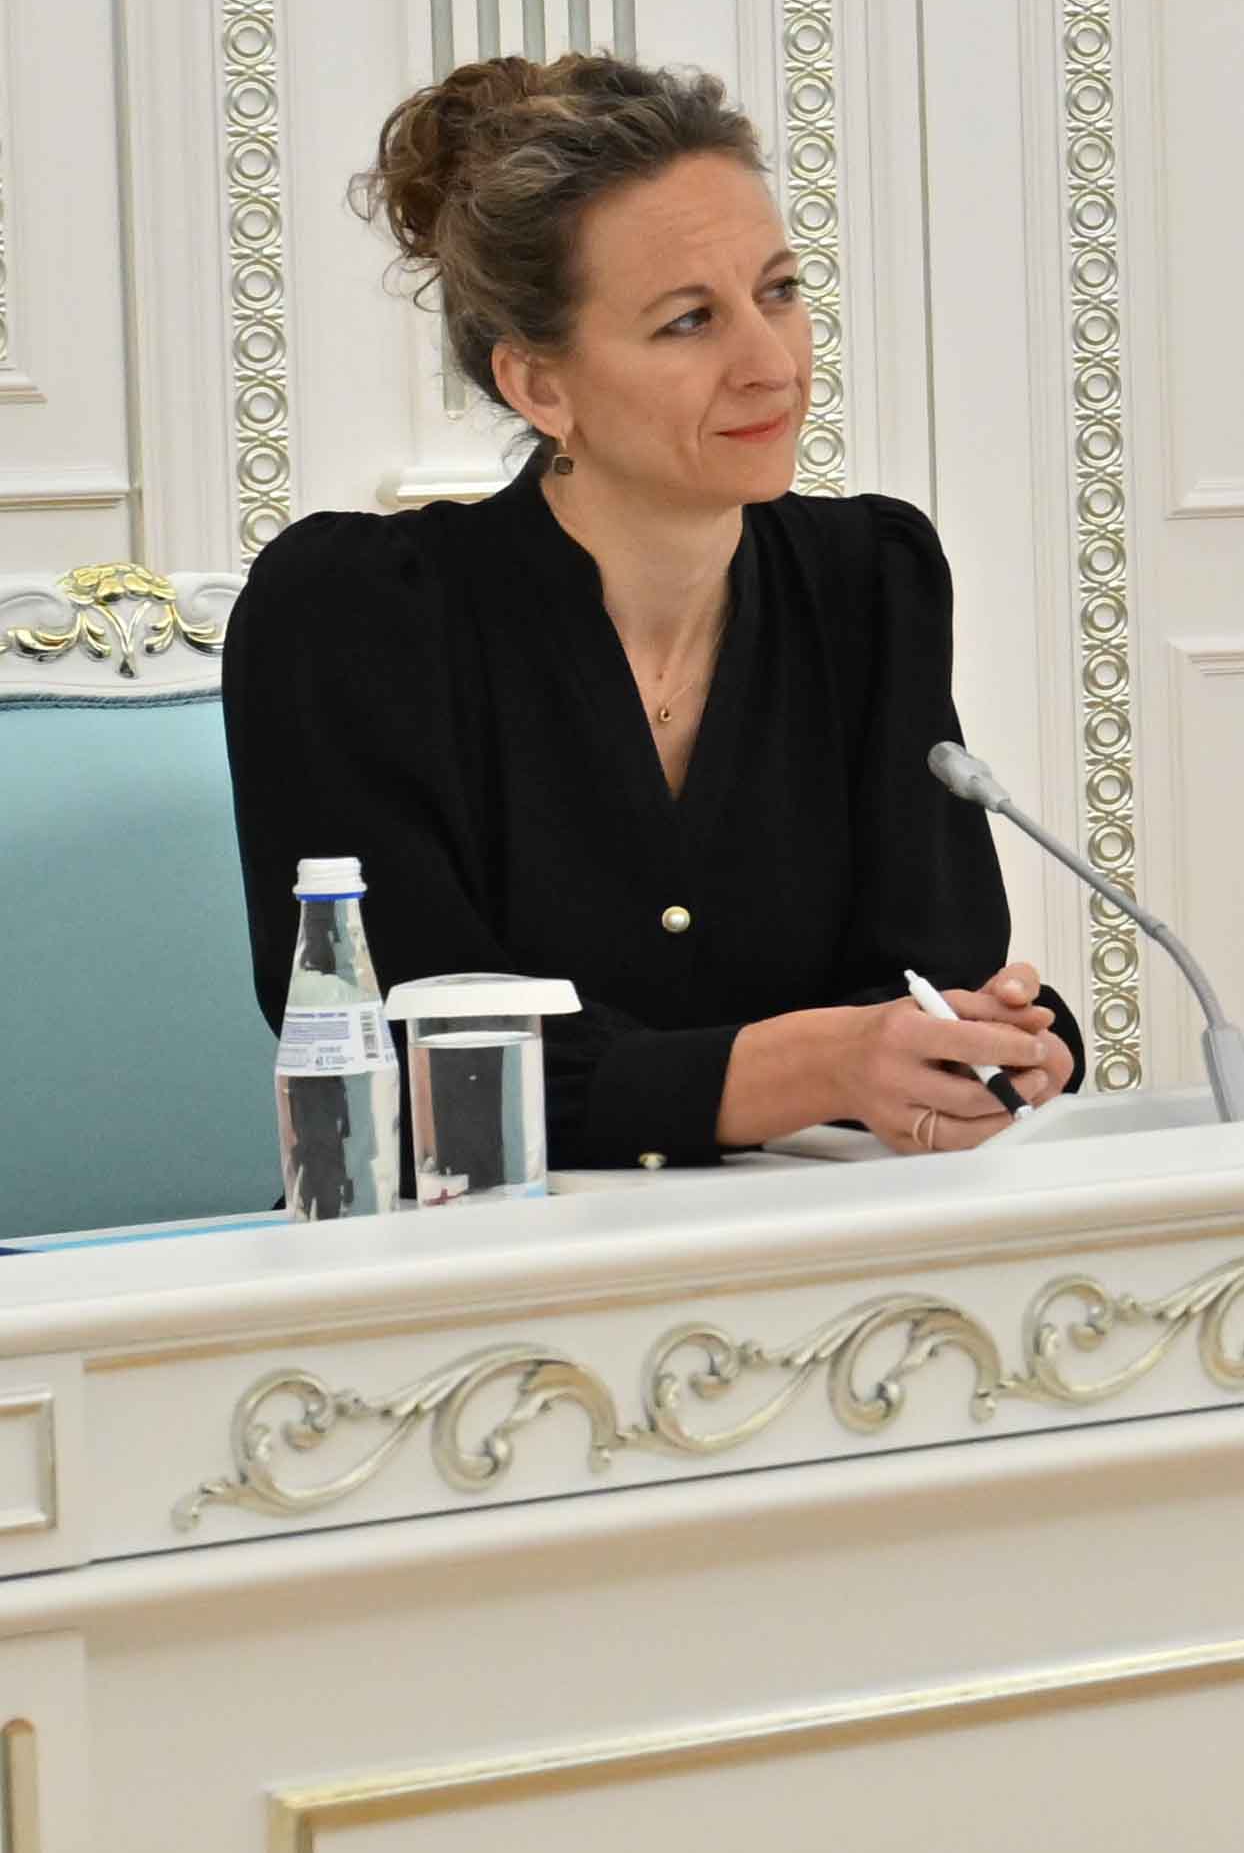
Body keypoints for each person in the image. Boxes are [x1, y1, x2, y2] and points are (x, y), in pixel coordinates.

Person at [225, 57, 1081, 1167]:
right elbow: (416, 1063)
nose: (771, 364)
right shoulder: (352, 617)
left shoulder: (871, 578)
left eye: (779, 291)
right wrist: (818, 1066)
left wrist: (986, 1043)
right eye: (688, 321)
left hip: (821, 1232)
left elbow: (922, 971)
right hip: (476, 1253)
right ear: (540, 385)